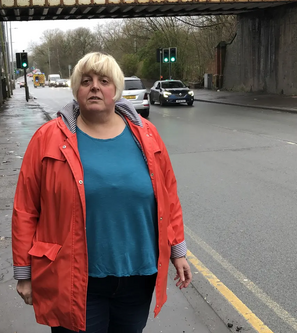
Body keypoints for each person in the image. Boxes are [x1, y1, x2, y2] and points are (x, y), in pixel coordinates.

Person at [12, 52, 192, 333]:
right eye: (86, 81)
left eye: (103, 80)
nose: (94, 86)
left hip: (138, 276)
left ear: (116, 90)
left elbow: (168, 196)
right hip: (73, 278)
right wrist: (24, 273)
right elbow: (25, 209)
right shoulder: (47, 139)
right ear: (76, 90)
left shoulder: (148, 135)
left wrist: (177, 251)